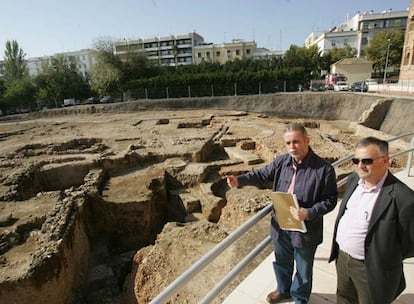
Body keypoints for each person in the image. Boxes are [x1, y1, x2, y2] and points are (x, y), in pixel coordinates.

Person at [227, 123, 338, 304]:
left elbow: (330, 200)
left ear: (307, 141)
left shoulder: (324, 170)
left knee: (303, 268)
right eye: (288, 143)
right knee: (282, 262)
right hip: (280, 224)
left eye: (296, 142)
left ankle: (300, 298)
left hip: (305, 228)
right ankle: (283, 290)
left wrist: (309, 212)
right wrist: (239, 180)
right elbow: (262, 175)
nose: (292, 147)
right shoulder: (281, 162)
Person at [329, 137, 414, 304]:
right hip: (343, 260)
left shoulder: (404, 197)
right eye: (356, 160)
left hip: (371, 269)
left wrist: (382, 257)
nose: (360, 166)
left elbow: (409, 244)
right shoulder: (354, 181)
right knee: (344, 299)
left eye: (367, 161)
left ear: (386, 161)